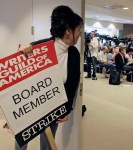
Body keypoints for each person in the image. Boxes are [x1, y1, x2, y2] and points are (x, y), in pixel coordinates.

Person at [4, 5, 83, 150]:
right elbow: (18, 77)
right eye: (79, 30)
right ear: (67, 31)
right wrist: (21, 54)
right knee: (21, 143)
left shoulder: (73, 54)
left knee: (47, 145)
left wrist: (67, 109)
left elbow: (73, 84)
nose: (80, 34)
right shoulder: (38, 48)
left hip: (53, 107)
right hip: (30, 105)